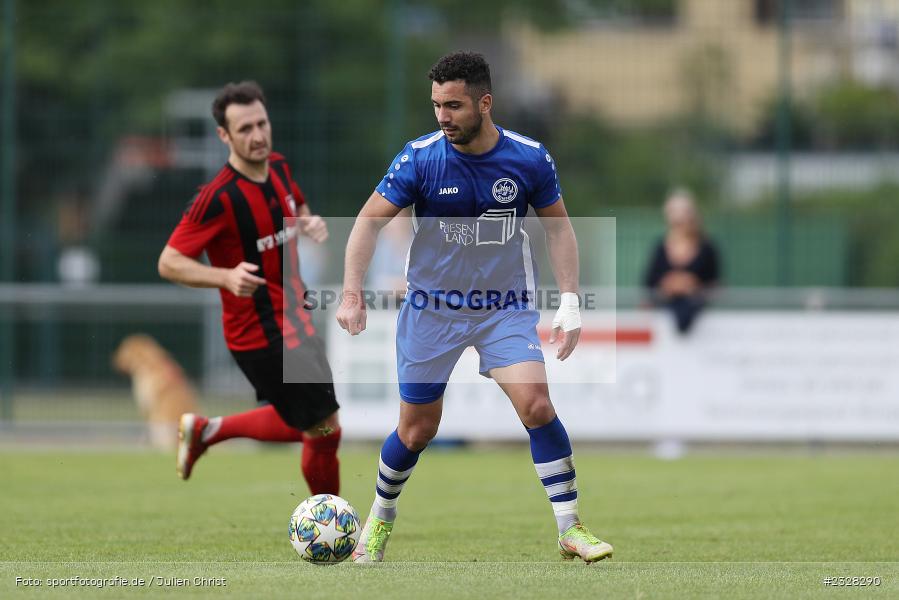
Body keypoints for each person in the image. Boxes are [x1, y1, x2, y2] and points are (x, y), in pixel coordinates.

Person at [336, 52, 613, 563]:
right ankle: (380, 517)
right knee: (417, 430)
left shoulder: (528, 158)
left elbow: (558, 227)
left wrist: (570, 299)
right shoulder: (420, 157)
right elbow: (367, 221)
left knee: (536, 405)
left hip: (501, 309)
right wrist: (352, 291)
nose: (443, 116)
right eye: (437, 105)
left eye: (455, 105)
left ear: (485, 103)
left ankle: (571, 528)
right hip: (430, 311)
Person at [158, 81, 341, 495]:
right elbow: (168, 262)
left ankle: (207, 430)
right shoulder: (217, 198)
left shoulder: (278, 166)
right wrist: (223, 277)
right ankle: (332, 528)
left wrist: (308, 221)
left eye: (261, 123)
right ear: (224, 135)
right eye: (244, 129)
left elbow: (298, 204)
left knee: (321, 425)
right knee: (323, 429)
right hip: (259, 333)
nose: (257, 135)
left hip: (296, 319)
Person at [643, 189, 721, 334]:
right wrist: (668, 285)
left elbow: (716, 285)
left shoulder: (707, 248)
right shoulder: (660, 248)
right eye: (674, 212)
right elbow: (648, 285)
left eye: (683, 212)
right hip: (664, 319)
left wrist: (693, 285)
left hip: (700, 321)